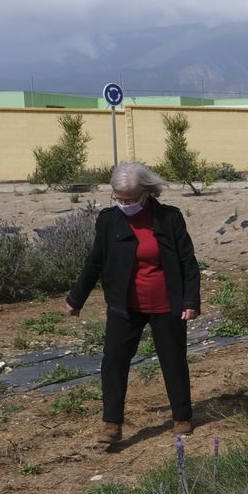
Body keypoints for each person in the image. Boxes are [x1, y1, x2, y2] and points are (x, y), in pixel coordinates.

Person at [66, 162, 200, 446]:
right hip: (124, 304)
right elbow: (95, 262)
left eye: (130, 199)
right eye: (119, 198)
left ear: (146, 194)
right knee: (113, 362)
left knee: (173, 360)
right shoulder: (108, 220)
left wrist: (190, 301)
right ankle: (111, 423)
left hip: (166, 303)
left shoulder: (169, 218)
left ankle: (182, 416)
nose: (124, 204)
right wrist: (76, 298)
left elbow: (188, 262)